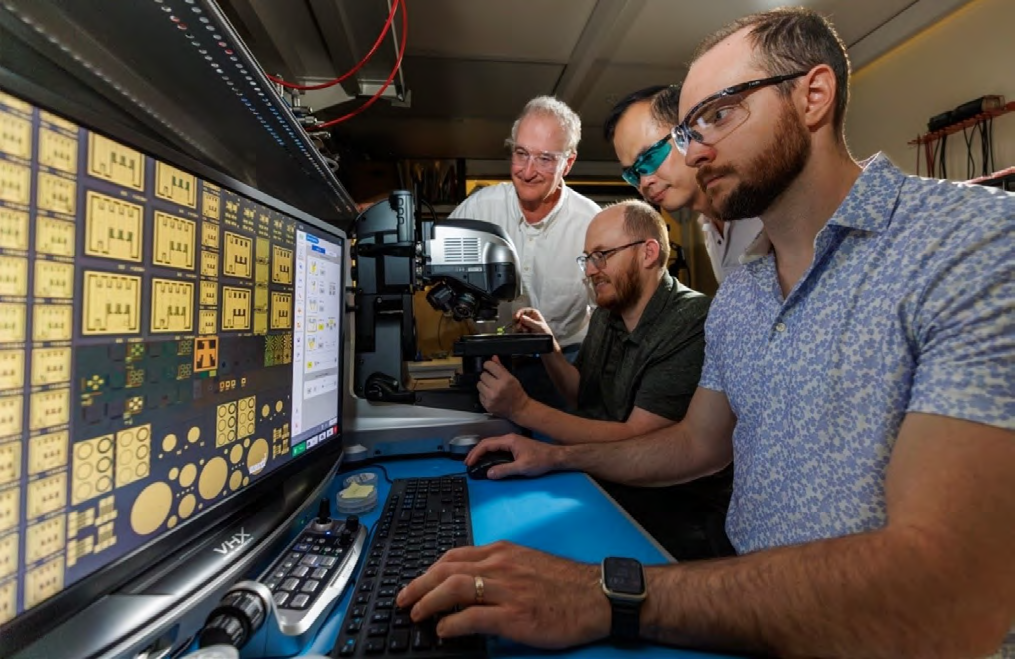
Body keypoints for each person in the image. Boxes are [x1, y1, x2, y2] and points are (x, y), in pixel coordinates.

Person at [397, 8, 1015, 658]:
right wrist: (557, 454)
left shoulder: (971, 242)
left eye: (717, 116)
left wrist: (608, 594)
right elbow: (695, 444)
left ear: (812, 95)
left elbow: (948, 593)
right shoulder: (741, 292)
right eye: (686, 131)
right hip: (739, 614)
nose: (691, 152)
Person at [478, 199, 731, 559]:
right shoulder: (606, 316)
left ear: (648, 253)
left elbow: (638, 436)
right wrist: (548, 346)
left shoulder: (692, 320)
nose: (591, 270)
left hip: (678, 513)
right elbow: (581, 393)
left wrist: (522, 409)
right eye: (587, 259)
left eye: (602, 255)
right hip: (610, 484)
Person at [449, 96, 600, 408]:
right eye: (521, 154)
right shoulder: (478, 209)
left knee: (560, 452)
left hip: (563, 365)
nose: (528, 171)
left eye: (545, 159)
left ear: (568, 163)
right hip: (491, 362)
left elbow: (608, 314)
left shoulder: (591, 224)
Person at [606, 85, 762, 285]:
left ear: (688, 133)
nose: (645, 182)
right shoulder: (708, 227)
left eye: (650, 158)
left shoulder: (764, 204)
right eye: (633, 173)